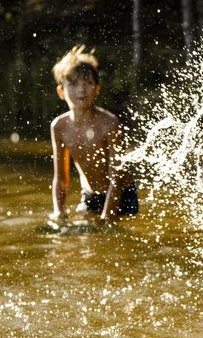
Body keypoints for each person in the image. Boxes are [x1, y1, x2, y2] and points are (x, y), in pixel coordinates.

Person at [49, 45, 138, 223]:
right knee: (86, 236)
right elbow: (61, 178)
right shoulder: (59, 127)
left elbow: (116, 177)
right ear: (61, 91)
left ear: (97, 89)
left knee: (114, 234)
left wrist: (107, 215)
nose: (81, 90)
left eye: (87, 83)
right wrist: (59, 211)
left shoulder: (109, 124)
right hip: (91, 194)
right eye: (73, 84)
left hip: (121, 192)